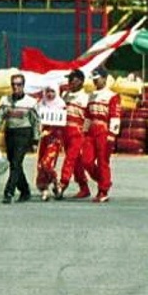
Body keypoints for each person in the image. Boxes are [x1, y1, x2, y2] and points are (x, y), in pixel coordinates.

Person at [0, 72, 39, 203]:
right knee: (15, 163)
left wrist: (35, 140)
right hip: (10, 133)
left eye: (19, 85)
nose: (16, 87)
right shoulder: (5, 101)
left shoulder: (31, 102)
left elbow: (36, 122)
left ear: (23, 86)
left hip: (24, 133)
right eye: (13, 85)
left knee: (16, 162)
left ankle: (9, 191)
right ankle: (25, 190)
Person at [86, 68, 120, 202]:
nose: (95, 81)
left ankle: (103, 190)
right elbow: (88, 116)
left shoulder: (112, 96)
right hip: (91, 130)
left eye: (97, 78)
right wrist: (84, 131)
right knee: (86, 161)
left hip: (104, 130)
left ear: (105, 78)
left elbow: (115, 116)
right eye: (93, 79)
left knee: (102, 161)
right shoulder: (91, 95)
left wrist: (112, 135)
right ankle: (103, 180)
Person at [59, 69, 93, 199]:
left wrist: (85, 132)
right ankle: (84, 187)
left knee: (70, 159)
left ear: (80, 81)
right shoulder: (65, 95)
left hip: (78, 132)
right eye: (69, 79)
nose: (69, 82)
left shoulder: (85, 97)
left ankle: (63, 183)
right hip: (65, 131)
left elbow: (89, 117)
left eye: (71, 79)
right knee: (76, 162)